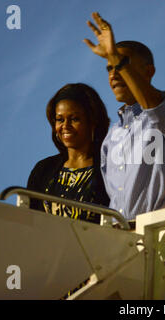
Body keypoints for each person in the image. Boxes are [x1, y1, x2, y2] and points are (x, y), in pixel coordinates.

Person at [83, 13, 165, 223]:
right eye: (109, 68)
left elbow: (155, 107)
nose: (114, 74)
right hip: (119, 241)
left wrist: (113, 55)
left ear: (149, 72)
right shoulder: (112, 136)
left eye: (122, 64)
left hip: (164, 235)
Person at [27, 83, 110, 224]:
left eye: (74, 119)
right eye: (60, 120)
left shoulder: (109, 166)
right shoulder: (43, 169)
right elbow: (27, 220)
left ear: (92, 121)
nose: (65, 126)